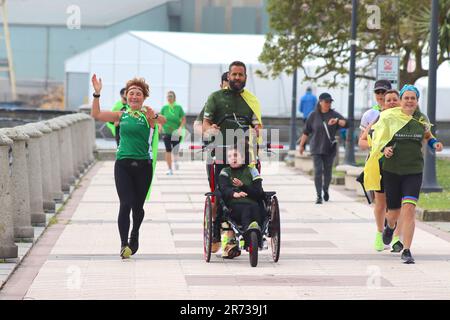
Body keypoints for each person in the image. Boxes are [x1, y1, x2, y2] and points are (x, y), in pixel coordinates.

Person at [363, 84, 444, 264]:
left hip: (414, 170)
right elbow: (378, 140)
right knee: (393, 213)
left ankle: (406, 249)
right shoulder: (390, 117)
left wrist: (434, 144)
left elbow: (428, 136)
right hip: (392, 170)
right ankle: (389, 227)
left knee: (409, 209)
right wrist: (385, 150)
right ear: (400, 100)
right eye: (406, 98)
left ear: (416, 101)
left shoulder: (421, 119)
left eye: (412, 98)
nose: (409, 101)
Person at [90, 74, 167, 259]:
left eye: (138, 93)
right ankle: (124, 244)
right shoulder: (120, 114)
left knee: (137, 207)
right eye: (131, 93)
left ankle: (135, 233)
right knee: (125, 203)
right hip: (123, 164)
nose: (134, 96)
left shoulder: (148, 115)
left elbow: (162, 120)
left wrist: (154, 115)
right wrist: (97, 94)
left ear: (144, 97)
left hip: (144, 166)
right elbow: (96, 115)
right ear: (126, 96)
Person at [202, 61, 263, 256]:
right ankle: (218, 236)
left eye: (241, 75)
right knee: (222, 194)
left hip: (246, 155)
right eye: (234, 74)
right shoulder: (215, 98)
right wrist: (210, 129)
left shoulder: (251, 100)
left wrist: (257, 132)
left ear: (245, 77)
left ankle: (238, 238)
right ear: (228, 76)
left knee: (249, 192)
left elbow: (257, 126)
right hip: (220, 155)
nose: (237, 78)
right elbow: (204, 125)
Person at [359, 89, 404, 252]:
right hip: (379, 165)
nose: (392, 102)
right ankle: (379, 234)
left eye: (394, 100)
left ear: (399, 101)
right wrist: (377, 146)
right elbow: (362, 141)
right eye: (388, 100)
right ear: (383, 104)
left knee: (398, 204)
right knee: (381, 202)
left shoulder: (405, 119)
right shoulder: (377, 120)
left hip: (399, 167)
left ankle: (397, 237)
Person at [298, 92, 348, 204]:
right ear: (320, 102)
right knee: (318, 171)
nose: (328, 104)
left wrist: (337, 121)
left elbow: (346, 123)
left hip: (329, 148)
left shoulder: (334, 114)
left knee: (328, 172)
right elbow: (306, 132)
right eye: (326, 102)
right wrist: (301, 145)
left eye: (330, 102)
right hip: (316, 147)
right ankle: (318, 195)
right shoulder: (313, 115)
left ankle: (325, 189)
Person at [218, 147, 265, 258]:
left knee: (255, 208)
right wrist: (234, 193)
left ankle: (254, 232)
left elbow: (259, 192)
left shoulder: (252, 171)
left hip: (253, 203)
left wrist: (243, 186)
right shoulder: (225, 171)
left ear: (243, 158)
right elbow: (223, 188)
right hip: (234, 206)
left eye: (235, 155)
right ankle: (250, 234)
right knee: (246, 210)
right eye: (229, 156)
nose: (232, 159)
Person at [193, 72, 229, 137]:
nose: (229, 93)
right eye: (226, 89)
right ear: (221, 87)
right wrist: (208, 131)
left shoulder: (246, 102)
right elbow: (196, 126)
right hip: (216, 145)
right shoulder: (213, 101)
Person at [160, 91, 186, 175]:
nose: (169, 98)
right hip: (166, 132)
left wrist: (180, 128)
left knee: (175, 150)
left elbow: (183, 119)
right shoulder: (164, 108)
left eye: (171, 96)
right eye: (168, 96)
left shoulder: (178, 107)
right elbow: (160, 119)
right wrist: (160, 126)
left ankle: (175, 161)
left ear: (174, 97)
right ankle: (169, 169)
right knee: (168, 150)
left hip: (176, 133)